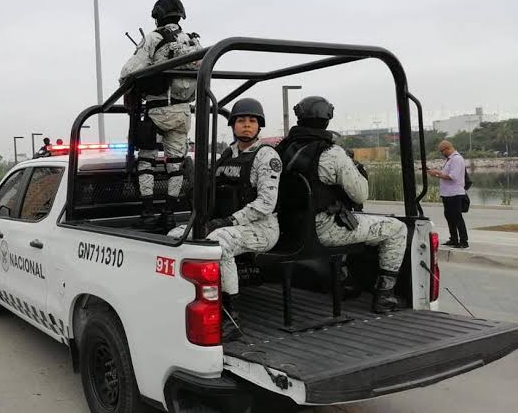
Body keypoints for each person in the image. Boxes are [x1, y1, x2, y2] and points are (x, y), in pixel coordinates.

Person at [278, 96, 408, 313]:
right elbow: (360, 195)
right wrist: (354, 166)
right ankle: (384, 296)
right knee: (397, 229)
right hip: (320, 230)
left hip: (288, 228)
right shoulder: (332, 154)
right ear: (327, 118)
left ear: (299, 116)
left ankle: (343, 283)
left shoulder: (283, 149)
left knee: (346, 220)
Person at [168, 98, 281, 341]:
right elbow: (213, 188)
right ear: (233, 125)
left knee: (219, 242)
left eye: (252, 121)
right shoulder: (228, 154)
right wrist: (194, 181)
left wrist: (228, 221)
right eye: (241, 120)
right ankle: (186, 300)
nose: (247, 125)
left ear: (259, 125)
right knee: (175, 236)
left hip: (261, 228)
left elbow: (265, 204)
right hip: (227, 223)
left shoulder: (266, 156)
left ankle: (231, 317)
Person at [120, 0, 202, 228]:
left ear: (157, 16)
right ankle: (169, 213)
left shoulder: (154, 38)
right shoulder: (193, 42)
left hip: (158, 112)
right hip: (183, 113)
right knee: (175, 164)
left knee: (146, 161)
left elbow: (128, 72)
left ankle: (148, 212)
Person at [428, 140, 468, 248]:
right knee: (449, 217)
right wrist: (437, 172)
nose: (442, 153)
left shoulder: (457, 159)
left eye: (442, 151)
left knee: (457, 217)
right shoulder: (449, 159)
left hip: (455, 193)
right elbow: (446, 174)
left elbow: (452, 176)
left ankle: (464, 241)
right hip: (447, 194)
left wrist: (437, 175)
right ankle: (453, 239)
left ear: (448, 148)